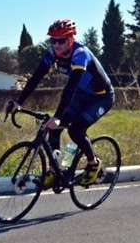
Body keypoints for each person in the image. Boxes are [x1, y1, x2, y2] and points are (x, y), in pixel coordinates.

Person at [6, 18, 114, 187]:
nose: (56, 44)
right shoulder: (53, 53)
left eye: (61, 40)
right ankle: (55, 170)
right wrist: (19, 102)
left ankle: (93, 163)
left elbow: (70, 88)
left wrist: (57, 116)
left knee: (75, 130)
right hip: (82, 93)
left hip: (101, 97)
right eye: (53, 40)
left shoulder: (80, 54)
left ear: (71, 38)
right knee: (53, 130)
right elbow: (36, 77)